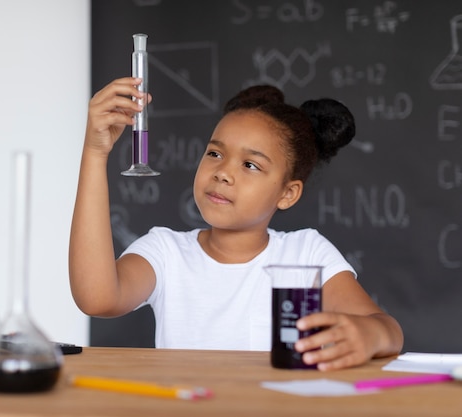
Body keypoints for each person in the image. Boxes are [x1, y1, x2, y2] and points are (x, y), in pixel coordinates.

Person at [69, 77, 404, 371]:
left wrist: (367, 335)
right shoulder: (166, 251)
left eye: (250, 164)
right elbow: (97, 299)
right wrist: (95, 153)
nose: (223, 172)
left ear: (288, 193)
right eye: (215, 153)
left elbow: (388, 331)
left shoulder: (306, 252)